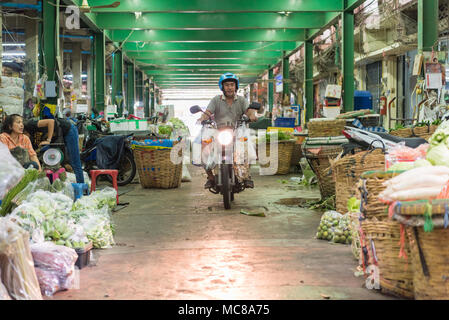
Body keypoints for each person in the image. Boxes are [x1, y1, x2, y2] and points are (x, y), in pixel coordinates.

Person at [198, 72, 257, 189]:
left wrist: (252, 116)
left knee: (248, 148)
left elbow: (249, 111)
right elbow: (208, 112)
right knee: (204, 149)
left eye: (232, 85)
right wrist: (202, 118)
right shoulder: (216, 100)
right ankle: (210, 178)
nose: (230, 87)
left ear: (236, 87)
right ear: (222, 87)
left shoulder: (241, 100)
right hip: (219, 131)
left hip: (237, 130)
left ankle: (246, 175)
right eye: (227, 85)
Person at [23, 117, 85, 184]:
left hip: (68, 130)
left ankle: (81, 185)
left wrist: (48, 140)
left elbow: (51, 122)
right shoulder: (28, 141)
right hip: (56, 137)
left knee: (74, 161)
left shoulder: (30, 125)